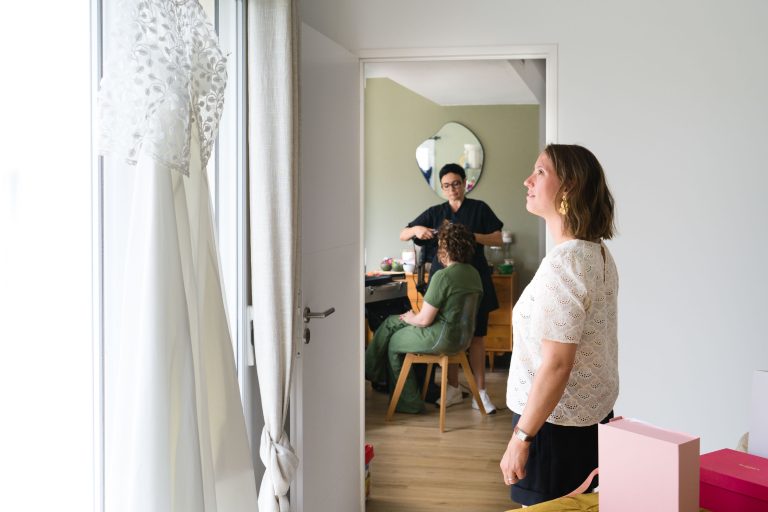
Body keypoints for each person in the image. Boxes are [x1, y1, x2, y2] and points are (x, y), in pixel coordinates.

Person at [499, 144, 619, 506]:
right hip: (587, 421)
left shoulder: (565, 263)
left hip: (552, 429)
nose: (527, 180)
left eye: (540, 172)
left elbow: (556, 363)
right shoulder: (597, 253)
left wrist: (521, 438)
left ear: (568, 187)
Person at [399, 163, 503, 413]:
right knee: (449, 335)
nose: (452, 189)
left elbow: (498, 238)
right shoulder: (435, 212)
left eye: (456, 183)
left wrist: (469, 234)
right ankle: (453, 389)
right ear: (442, 188)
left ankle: (481, 392)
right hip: (442, 283)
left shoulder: (479, 209)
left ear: (465, 183)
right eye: (446, 185)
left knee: (477, 337)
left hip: (474, 281)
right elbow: (403, 234)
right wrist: (417, 229)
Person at [365, 222, 483, 413]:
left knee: (394, 340)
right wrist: (411, 318)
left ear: (445, 248)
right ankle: (370, 370)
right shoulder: (474, 274)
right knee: (391, 323)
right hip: (462, 339)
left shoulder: (443, 276)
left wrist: (412, 317)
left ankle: (407, 402)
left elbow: (424, 320)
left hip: (440, 338)